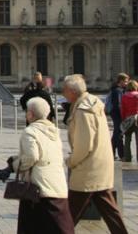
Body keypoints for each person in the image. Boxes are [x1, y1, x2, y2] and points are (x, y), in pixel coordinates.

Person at [63, 74, 128, 232]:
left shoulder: (83, 110)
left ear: (72, 91)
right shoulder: (92, 103)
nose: (63, 93)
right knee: (110, 211)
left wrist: (71, 161)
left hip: (88, 169)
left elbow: (84, 144)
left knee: (68, 217)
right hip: (99, 166)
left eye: (65, 90)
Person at [8, 97, 74, 233]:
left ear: (30, 114)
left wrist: (13, 166)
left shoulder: (30, 131)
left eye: (27, 111)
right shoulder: (54, 132)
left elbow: (32, 156)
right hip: (57, 186)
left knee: (30, 228)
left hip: (37, 189)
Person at [106, 73, 129, 160]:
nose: (127, 83)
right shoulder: (117, 91)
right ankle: (121, 155)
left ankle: (111, 153)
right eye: (126, 81)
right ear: (121, 81)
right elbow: (117, 105)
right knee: (119, 134)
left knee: (116, 133)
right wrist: (122, 115)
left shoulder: (116, 90)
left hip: (115, 113)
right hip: (117, 114)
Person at [120, 80, 138, 162]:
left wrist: (123, 119)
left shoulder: (124, 96)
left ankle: (127, 157)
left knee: (127, 139)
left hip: (128, 119)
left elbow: (123, 110)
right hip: (137, 118)